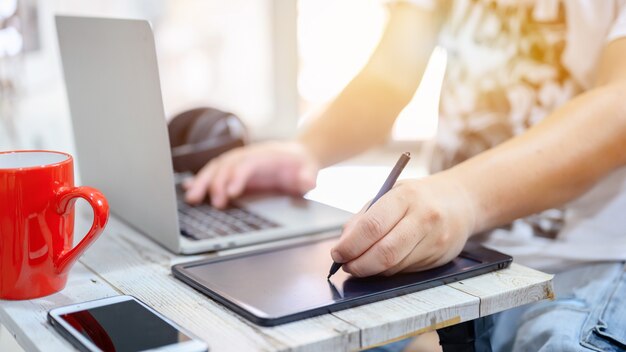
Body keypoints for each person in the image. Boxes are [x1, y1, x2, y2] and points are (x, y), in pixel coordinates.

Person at [185, 1, 626, 350]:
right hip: (443, 255)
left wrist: (463, 196)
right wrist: (308, 150)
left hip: (585, 261)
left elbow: (618, 103)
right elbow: (389, 77)